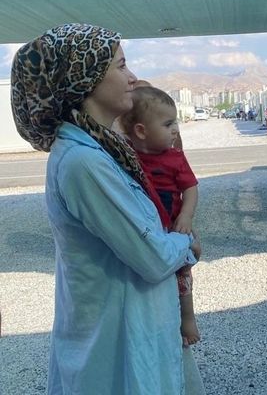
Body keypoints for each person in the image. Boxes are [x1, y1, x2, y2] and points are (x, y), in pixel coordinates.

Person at [11, 23, 202, 394]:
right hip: (118, 345)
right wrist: (187, 244)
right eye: (121, 66)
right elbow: (153, 258)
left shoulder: (105, 149)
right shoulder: (84, 162)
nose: (132, 78)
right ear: (87, 79)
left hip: (134, 330)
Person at [120, 85, 202, 345]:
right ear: (141, 131)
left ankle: (187, 320)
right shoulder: (126, 155)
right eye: (168, 124)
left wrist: (186, 217)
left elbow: (190, 188)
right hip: (146, 229)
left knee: (183, 274)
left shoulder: (175, 158)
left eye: (175, 122)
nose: (175, 129)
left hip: (173, 228)